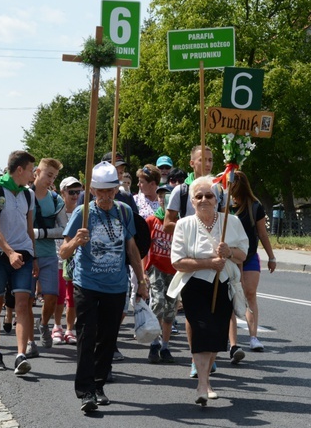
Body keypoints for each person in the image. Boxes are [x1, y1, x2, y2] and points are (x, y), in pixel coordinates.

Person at [59, 161, 149, 413]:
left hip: (116, 285)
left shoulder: (123, 211)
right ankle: (85, 391)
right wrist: (76, 240)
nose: (106, 197)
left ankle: (99, 385)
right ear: (93, 191)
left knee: (107, 339)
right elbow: (64, 251)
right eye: (101, 192)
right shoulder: (82, 213)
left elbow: (132, 249)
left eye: (110, 191)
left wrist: (141, 281)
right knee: (87, 336)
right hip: (87, 283)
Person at [168, 175, 248, 405]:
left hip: (223, 284)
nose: (204, 199)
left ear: (217, 199)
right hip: (195, 284)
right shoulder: (184, 224)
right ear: (192, 201)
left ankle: (207, 381)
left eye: (209, 195)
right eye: (198, 196)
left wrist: (229, 252)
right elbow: (178, 262)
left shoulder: (230, 222)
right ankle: (202, 384)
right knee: (202, 329)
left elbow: (244, 254)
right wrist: (208, 263)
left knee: (217, 333)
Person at [0, 150, 38, 376]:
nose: (33, 175)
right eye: (31, 171)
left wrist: (33, 257)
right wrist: (9, 252)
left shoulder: (28, 194)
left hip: (23, 254)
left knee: (23, 304)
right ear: (20, 170)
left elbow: (29, 229)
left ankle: (20, 355)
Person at [228, 171, 277, 353]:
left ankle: (253, 337)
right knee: (230, 298)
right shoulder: (225, 205)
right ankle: (232, 341)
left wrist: (271, 257)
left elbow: (262, 233)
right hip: (229, 258)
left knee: (250, 294)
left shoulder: (255, 206)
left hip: (249, 257)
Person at [31, 158, 67, 354]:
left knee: (52, 297)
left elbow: (62, 229)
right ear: (37, 172)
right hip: (27, 254)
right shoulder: (24, 195)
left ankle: (44, 324)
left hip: (48, 253)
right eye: (48, 175)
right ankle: (29, 341)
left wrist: (39, 233)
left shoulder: (56, 199)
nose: (50, 180)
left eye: (54, 177)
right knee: (26, 299)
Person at [145, 184, 177, 363]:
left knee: (170, 309)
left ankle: (165, 346)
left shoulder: (178, 222)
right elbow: (144, 247)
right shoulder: (151, 221)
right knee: (158, 303)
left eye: (167, 197)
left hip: (174, 270)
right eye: (161, 197)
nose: (163, 200)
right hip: (155, 267)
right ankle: (154, 343)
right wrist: (143, 270)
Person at [55, 176, 81, 344]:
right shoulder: (56, 213)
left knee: (72, 297)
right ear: (62, 192)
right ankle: (57, 326)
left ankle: (70, 329)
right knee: (58, 295)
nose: (75, 195)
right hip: (57, 257)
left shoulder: (83, 212)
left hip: (76, 260)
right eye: (71, 192)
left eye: (78, 192)